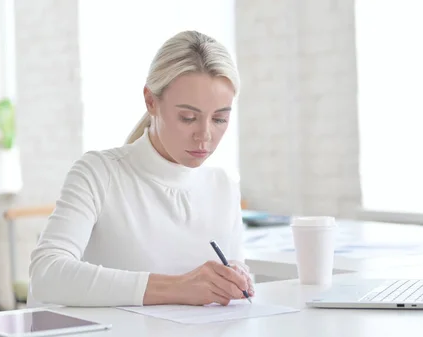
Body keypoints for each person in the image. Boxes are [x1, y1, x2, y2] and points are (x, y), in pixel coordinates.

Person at [27, 30, 254, 308]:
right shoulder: (99, 174)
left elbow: (232, 269)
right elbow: (46, 274)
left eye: (219, 119)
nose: (204, 135)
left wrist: (235, 276)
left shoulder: (223, 185)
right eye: (188, 117)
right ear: (151, 101)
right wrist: (179, 287)